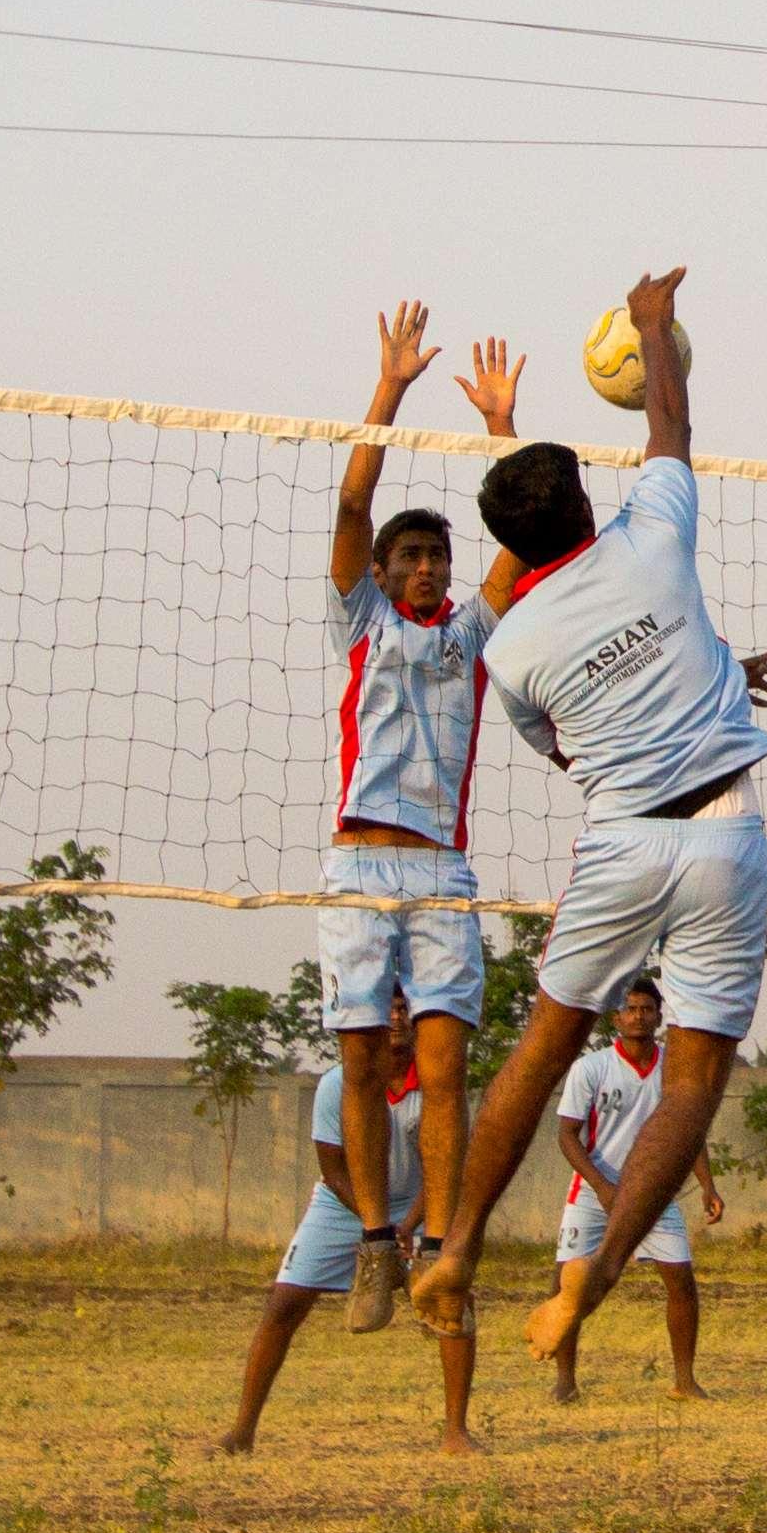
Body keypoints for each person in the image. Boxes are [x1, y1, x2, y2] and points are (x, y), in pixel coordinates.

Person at [408, 267, 767, 1364]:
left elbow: (567, 745)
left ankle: (458, 1240)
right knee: (696, 1077)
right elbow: (668, 412)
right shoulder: (654, 535)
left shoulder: (508, 646)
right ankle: (589, 1288)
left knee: (542, 1040)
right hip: (723, 827)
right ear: (585, 504)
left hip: (620, 837)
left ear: (514, 547)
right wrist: (655, 327)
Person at [317, 304, 526, 1329]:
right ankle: (373, 1246)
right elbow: (355, 498)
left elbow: (523, 536)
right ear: (386, 570)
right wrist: (390, 388)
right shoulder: (363, 616)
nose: (426, 568)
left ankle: (442, 1244)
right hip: (360, 864)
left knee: (444, 1069)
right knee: (362, 1057)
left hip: (440, 871)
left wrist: (501, 426)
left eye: (435, 558)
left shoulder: (471, 631)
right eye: (411, 557)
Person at [220, 989, 480, 1455]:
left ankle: (455, 1431)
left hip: (422, 1209)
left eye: (406, 1009)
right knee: (282, 1305)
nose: (397, 1018)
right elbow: (333, 1167)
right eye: (388, 1009)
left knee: (452, 1305)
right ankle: (242, 1431)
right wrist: (376, 1225)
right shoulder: (338, 1083)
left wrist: (409, 1225)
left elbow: (449, 1165)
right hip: (345, 1207)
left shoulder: (440, 1083)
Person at [546, 976, 723, 1401]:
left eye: (647, 1009)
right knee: (567, 1283)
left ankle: (684, 1380)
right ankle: (565, 1383)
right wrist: (602, 1185)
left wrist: (707, 1187)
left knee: (681, 1280)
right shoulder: (591, 1068)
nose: (639, 1016)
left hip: (653, 1192)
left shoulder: (674, 1071)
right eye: (631, 1009)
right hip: (593, 1190)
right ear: (616, 1018)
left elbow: (688, 1134)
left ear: (660, 1017)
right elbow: (567, 1135)